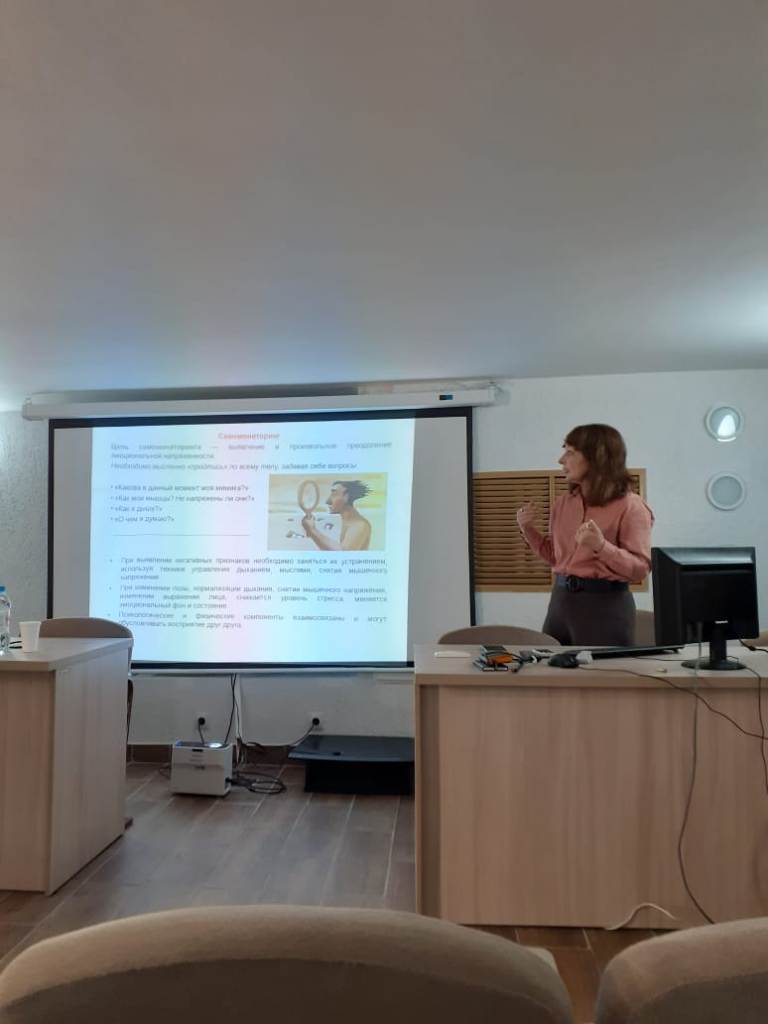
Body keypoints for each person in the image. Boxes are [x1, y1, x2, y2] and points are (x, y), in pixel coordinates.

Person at [516, 424, 653, 646]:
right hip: (560, 602)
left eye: (570, 452)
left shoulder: (631, 506)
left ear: (596, 457)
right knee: (551, 665)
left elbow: (639, 569)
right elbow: (555, 557)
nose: (561, 460)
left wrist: (601, 546)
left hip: (605, 606)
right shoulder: (563, 504)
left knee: (604, 669)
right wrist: (527, 529)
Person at [303, 480, 372, 551]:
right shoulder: (343, 522)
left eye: (334, 494)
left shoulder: (360, 525)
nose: (328, 501)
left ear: (346, 496)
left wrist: (312, 530)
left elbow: (344, 554)